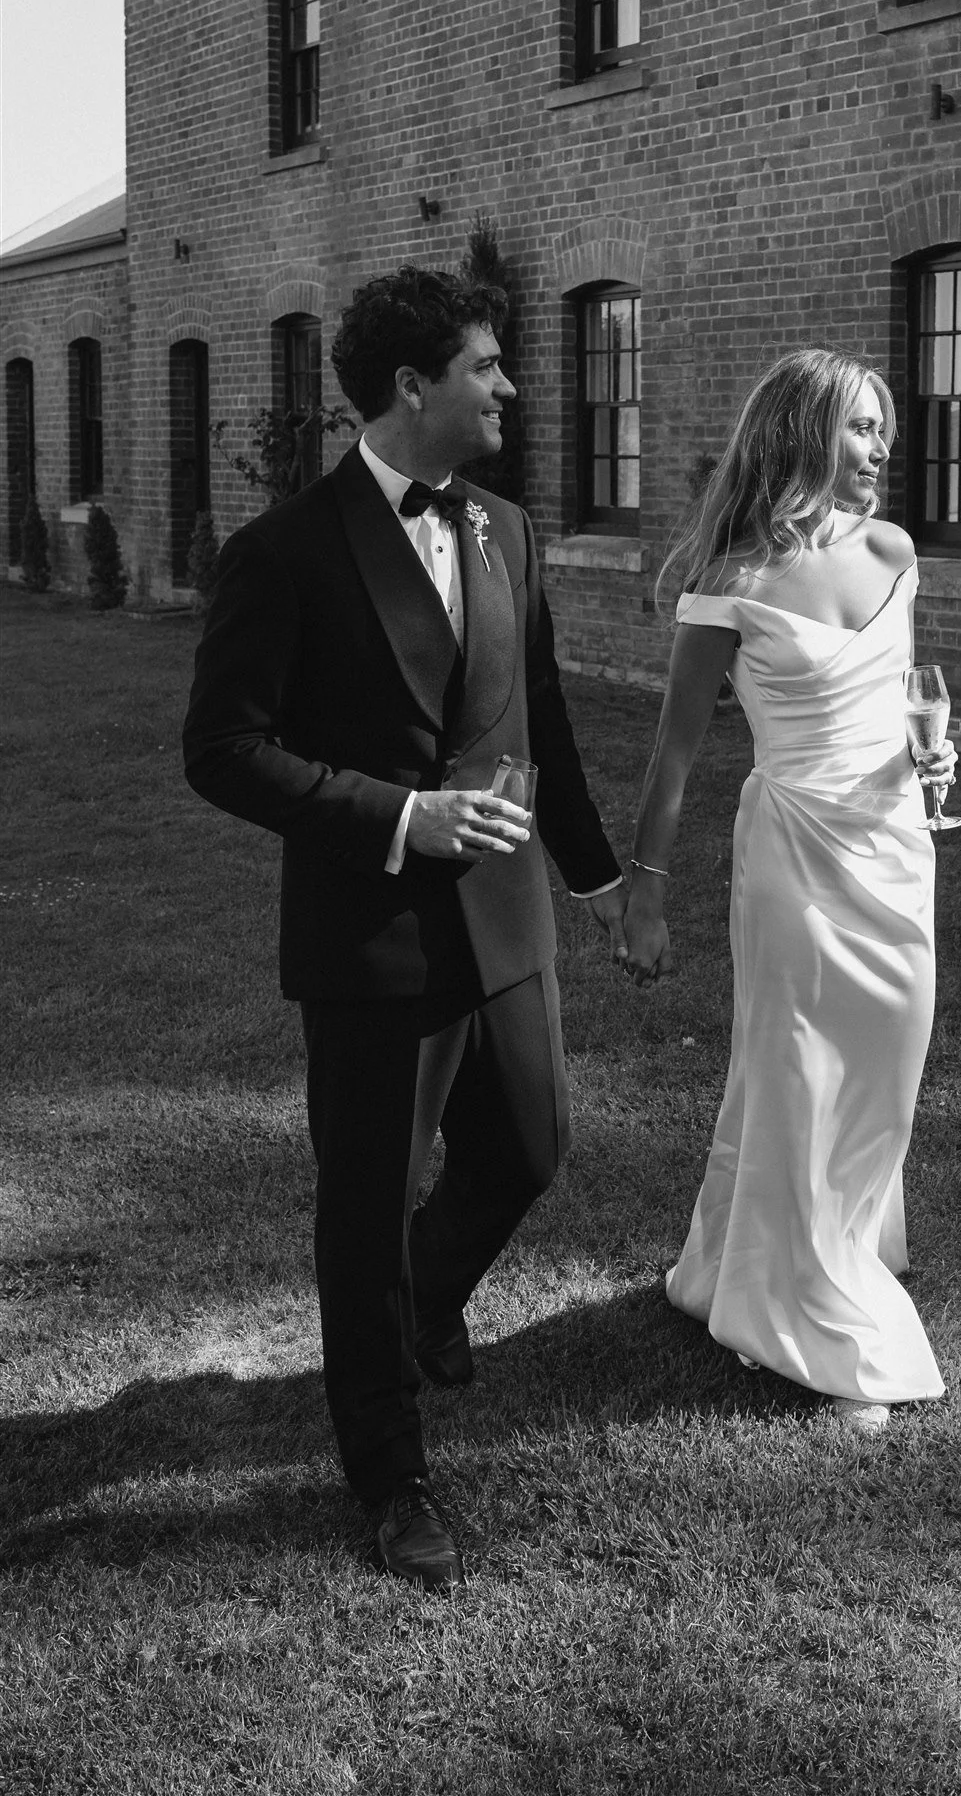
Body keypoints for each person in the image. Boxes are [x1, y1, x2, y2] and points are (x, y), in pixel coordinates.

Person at [183, 267, 628, 1585]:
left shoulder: (507, 531)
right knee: (365, 1212)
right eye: (486, 366)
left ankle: (419, 1305)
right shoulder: (285, 553)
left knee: (530, 1150)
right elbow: (222, 750)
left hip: (507, 921)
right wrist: (399, 817)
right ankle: (388, 1471)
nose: (510, 388)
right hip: (369, 936)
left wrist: (597, 879)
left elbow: (541, 716)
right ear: (409, 385)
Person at [622, 349, 955, 1434]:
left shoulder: (895, 552)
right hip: (793, 855)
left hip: (893, 851)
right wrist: (646, 894)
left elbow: (903, 697)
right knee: (798, 1073)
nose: (880, 450)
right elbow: (673, 755)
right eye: (861, 427)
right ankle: (816, 1312)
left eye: (884, 431)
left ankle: (768, 1253)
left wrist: (932, 759)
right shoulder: (732, 580)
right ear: (803, 431)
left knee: (886, 1067)